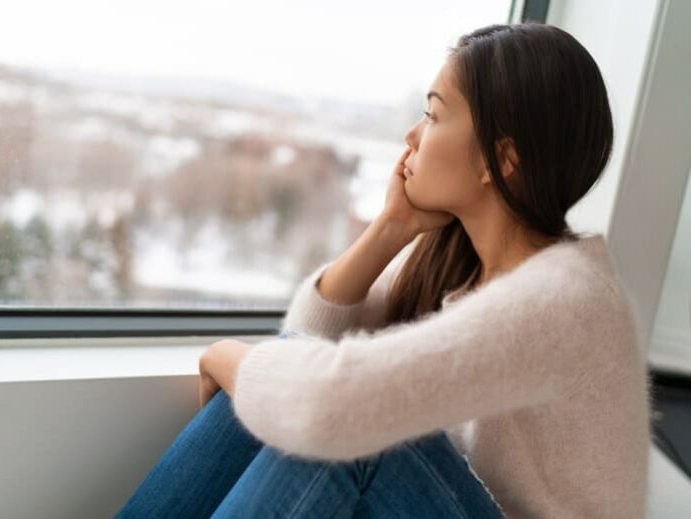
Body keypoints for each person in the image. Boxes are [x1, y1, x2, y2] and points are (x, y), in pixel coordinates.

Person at [116, 21, 651, 518]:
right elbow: (309, 335)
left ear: (501, 160)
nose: (411, 137)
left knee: (347, 432)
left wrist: (226, 356)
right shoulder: (471, 267)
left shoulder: (566, 299)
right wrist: (392, 226)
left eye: (435, 115)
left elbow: (328, 404)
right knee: (272, 392)